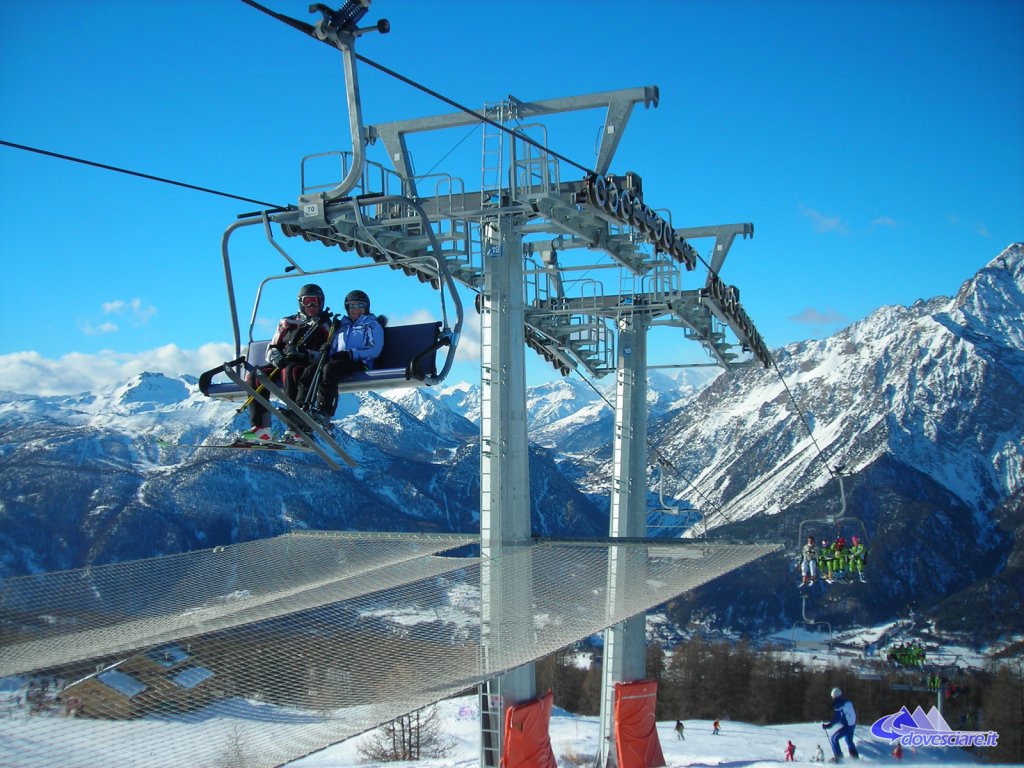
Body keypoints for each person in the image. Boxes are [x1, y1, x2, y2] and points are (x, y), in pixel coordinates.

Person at [242, 283, 332, 442]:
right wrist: (276, 357)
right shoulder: (287, 322)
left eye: (315, 301)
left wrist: (305, 353)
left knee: (292, 371)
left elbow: (328, 354)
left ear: (322, 302)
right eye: (307, 301)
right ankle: (261, 427)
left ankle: (296, 426)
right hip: (282, 361)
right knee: (255, 376)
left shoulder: (325, 325)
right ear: (300, 303)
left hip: (304, 364)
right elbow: (272, 346)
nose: (311, 306)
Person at [295, 289, 384, 433]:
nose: (356, 310)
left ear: (366, 307)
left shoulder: (372, 324)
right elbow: (335, 349)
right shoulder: (342, 326)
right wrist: (328, 350)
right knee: (310, 370)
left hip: (362, 363)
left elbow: (374, 350)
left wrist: (350, 354)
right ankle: (299, 407)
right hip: (340, 360)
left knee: (330, 370)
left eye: (360, 306)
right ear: (347, 308)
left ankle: (325, 411)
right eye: (352, 306)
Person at [822, 687, 859, 762]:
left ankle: (839, 758)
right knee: (848, 740)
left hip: (848, 725)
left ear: (833, 696)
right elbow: (847, 713)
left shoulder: (838, 703)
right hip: (852, 724)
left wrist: (829, 725)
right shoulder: (847, 701)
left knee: (834, 739)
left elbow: (837, 717)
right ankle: (855, 758)